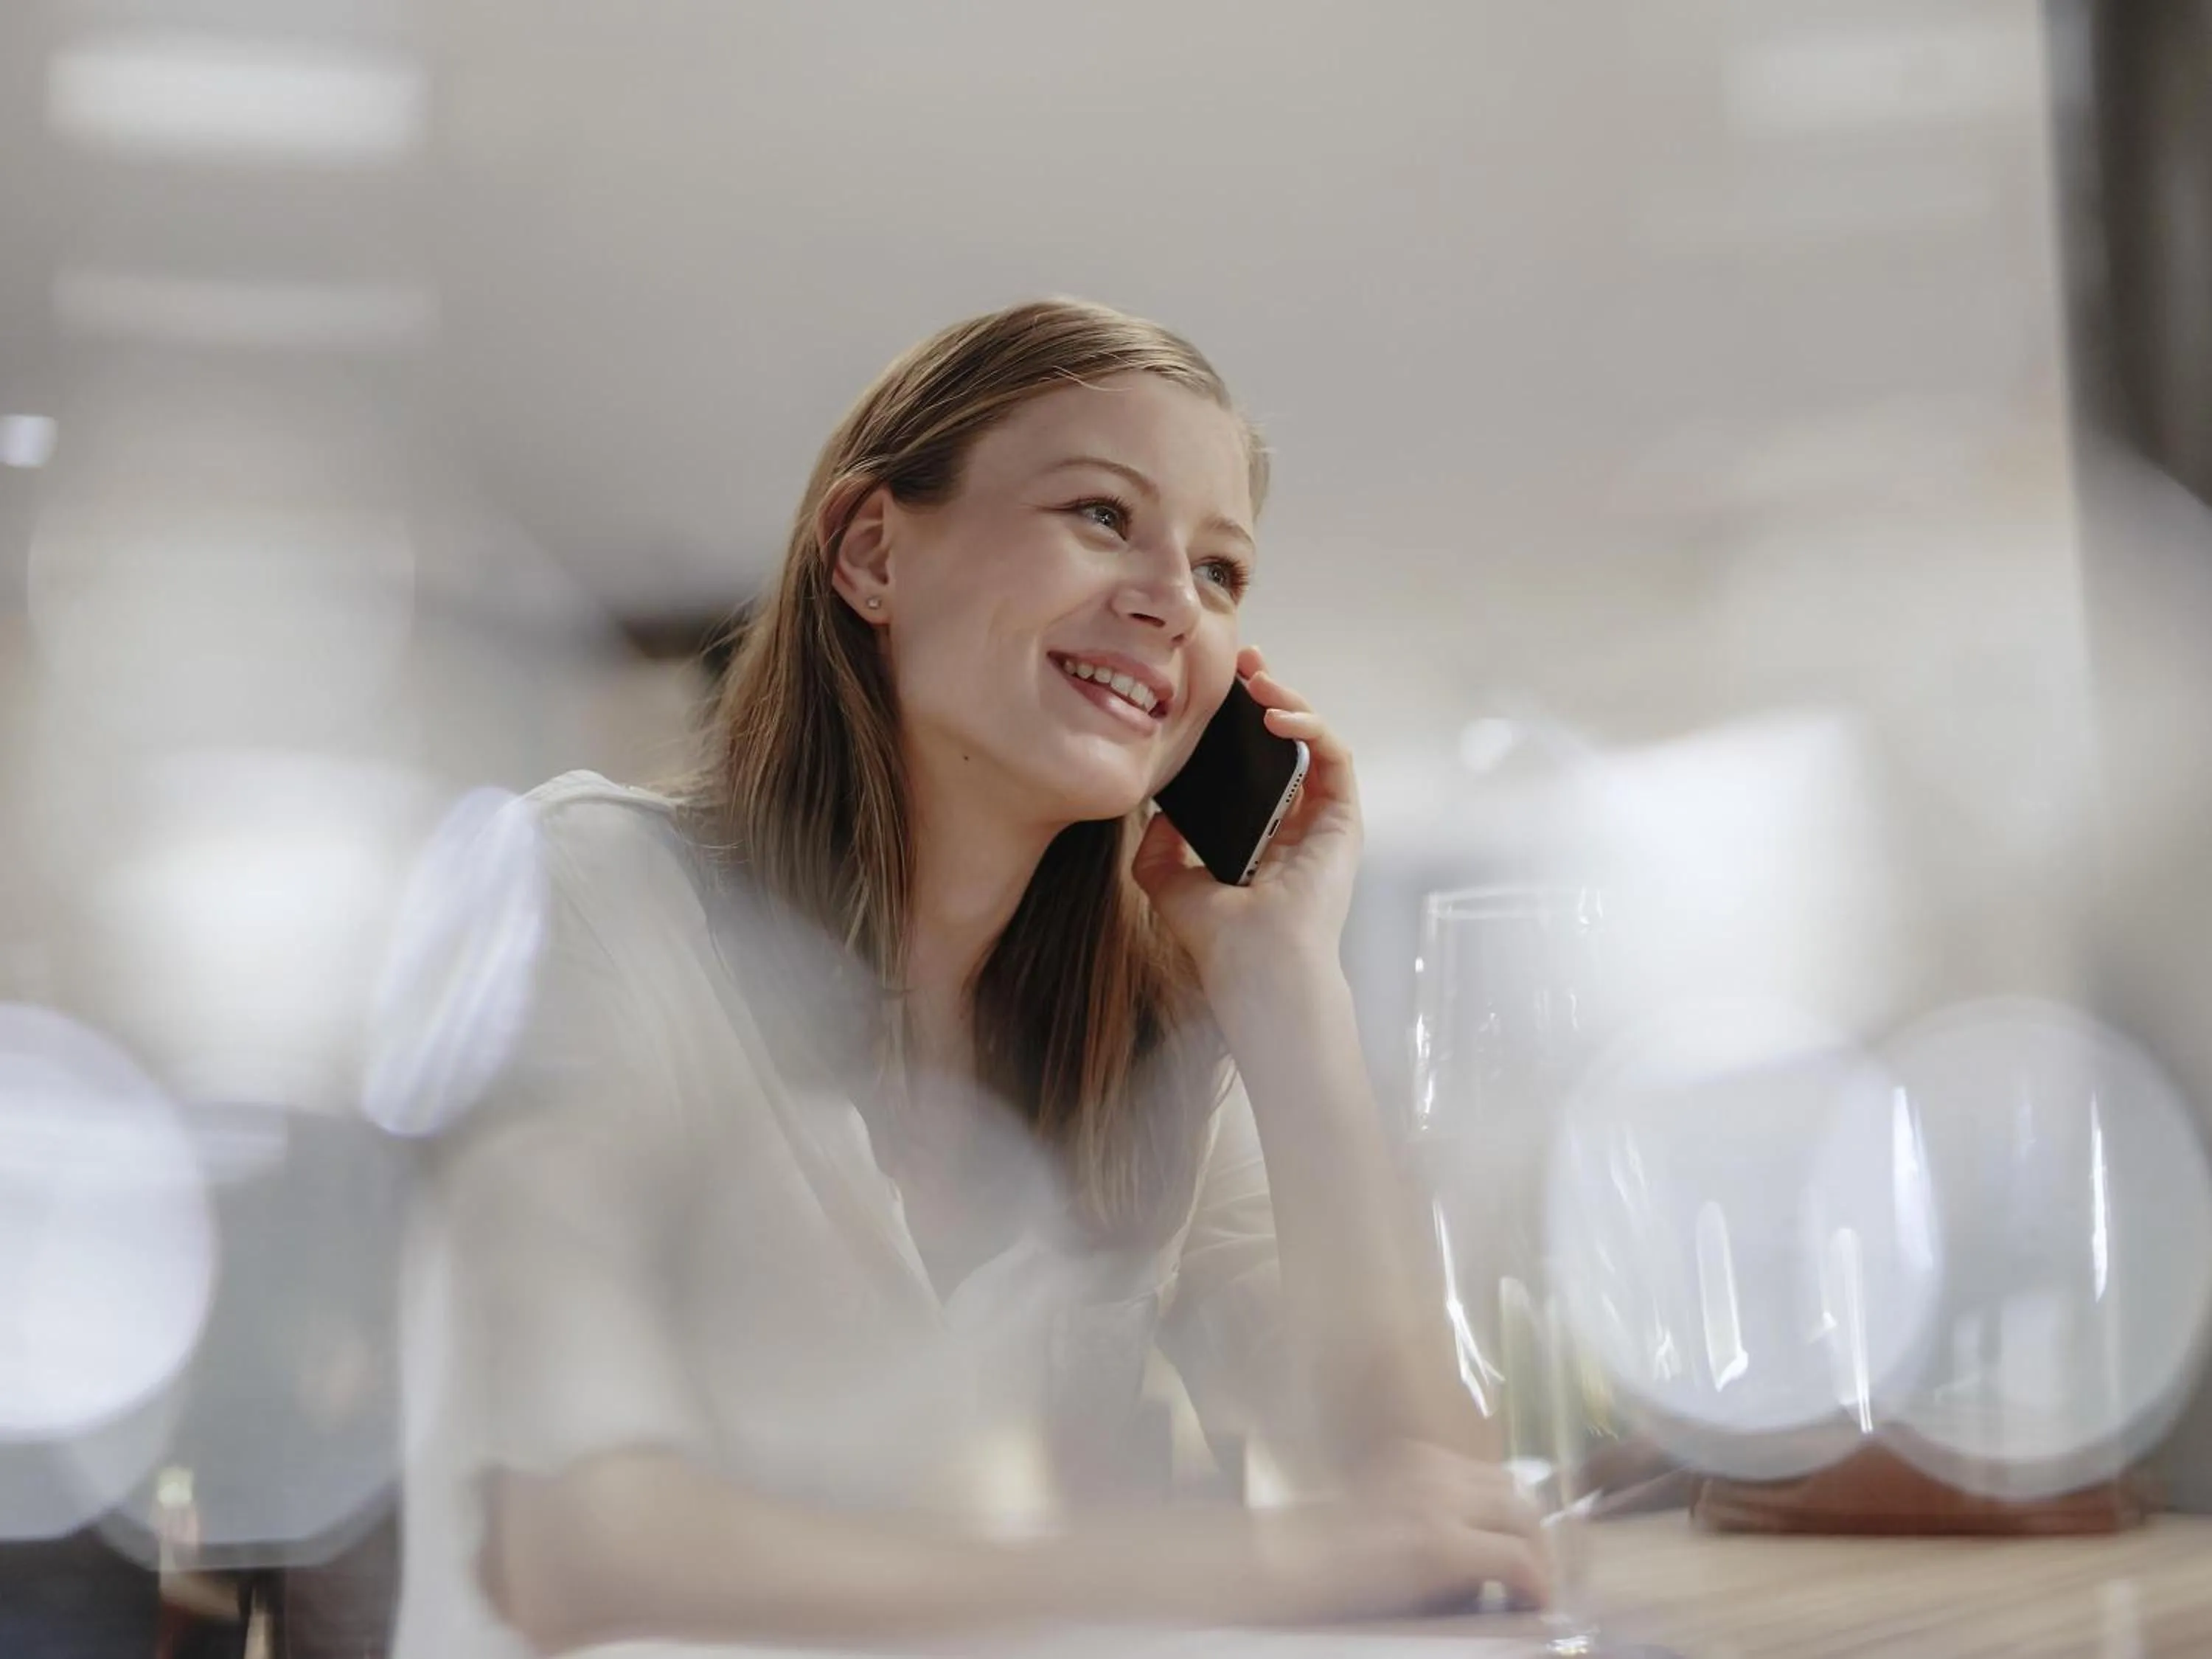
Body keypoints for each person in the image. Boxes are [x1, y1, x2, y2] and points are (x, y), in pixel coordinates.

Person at [394, 297, 1545, 1658]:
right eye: (1103, 514)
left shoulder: (1158, 1025)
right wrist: (1235, 1567)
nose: (1174, 599)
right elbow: (578, 1554)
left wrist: (1290, 990)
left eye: (1222, 570)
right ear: (873, 553)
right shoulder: (584, 893)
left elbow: (1445, 1513)